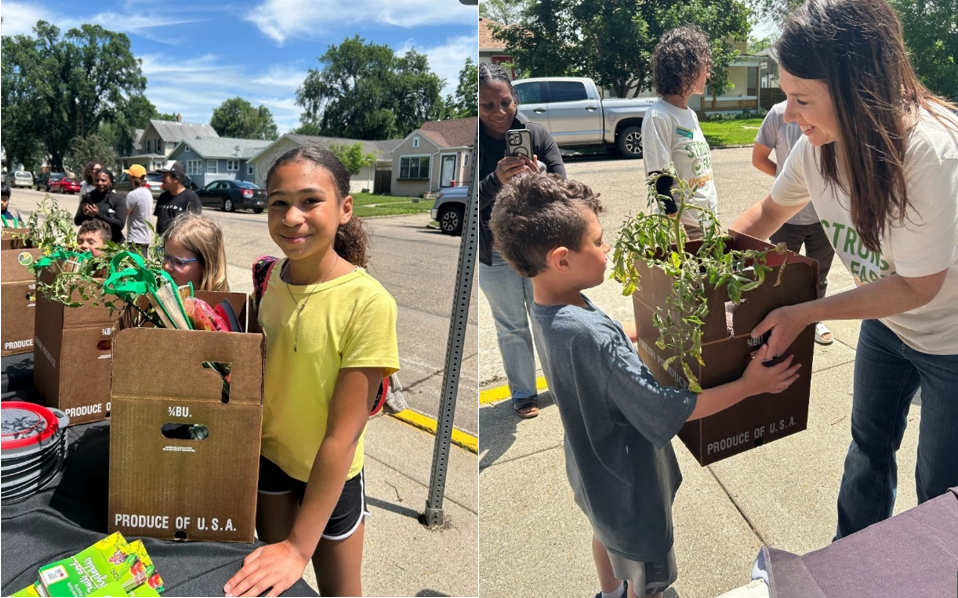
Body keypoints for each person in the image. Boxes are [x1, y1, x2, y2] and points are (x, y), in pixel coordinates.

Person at [490, 172, 800, 598]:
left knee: (605, 536)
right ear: (561, 259)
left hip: (591, 468)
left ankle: (610, 593)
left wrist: (643, 327)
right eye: (598, 242)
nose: (607, 249)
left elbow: (598, 340)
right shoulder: (589, 335)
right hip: (630, 485)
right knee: (648, 576)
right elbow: (665, 408)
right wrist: (751, 384)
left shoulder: (551, 306)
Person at [730, 0, 958, 540]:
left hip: (950, 340)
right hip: (887, 325)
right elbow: (768, 212)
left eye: (802, 99)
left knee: (939, 484)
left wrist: (805, 312)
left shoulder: (929, 152)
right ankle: (849, 559)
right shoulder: (817, 147)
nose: (788, 115)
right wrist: (702, 271)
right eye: (787, 96)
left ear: (859, 89)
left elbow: (918, 286)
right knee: (867, 452)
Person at [224, 146, 399, 598]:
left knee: (340, 591)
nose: (291, 217)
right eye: (278, 202)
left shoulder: (368, 302)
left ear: (345, 209)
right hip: (269, 461)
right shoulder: (270, 279)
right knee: (276, 586)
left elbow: (343, 436)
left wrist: (299, 548)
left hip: (333, 477)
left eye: (310, 201)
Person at [478, 61, 566, 418]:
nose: (499, 112)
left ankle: (560, 385)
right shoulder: (473, 142)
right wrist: (495, 180)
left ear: (515, 99)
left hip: (536, 246)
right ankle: (524, 393)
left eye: (505, 103)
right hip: (494, 251)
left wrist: (538, 175)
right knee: (511, 325)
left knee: (547, 316)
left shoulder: (537, 134)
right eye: (487, 105)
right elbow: (469, 200)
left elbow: (563, 187)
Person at [753, 100, 837, 345]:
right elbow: (759, 158)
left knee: (818, 275)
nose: (793, 115)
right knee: (779, 279)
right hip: (787, 220)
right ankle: (775, 323)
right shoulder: (779, 113)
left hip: (824, 216)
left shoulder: (830, 112)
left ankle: (814, 320)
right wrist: (792, 182)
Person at [641, 26, 717, 240]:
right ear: (686, 69)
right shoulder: (659, 116)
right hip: (686, 229)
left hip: (707, 224)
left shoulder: (690, 114)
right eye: (704, 67)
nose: (708, 74)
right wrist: (678, 233)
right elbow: (659, 181)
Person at [161, 213, 229, 292]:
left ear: (206, 265)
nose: (167, 266)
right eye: (166, 256)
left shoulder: (218, 299)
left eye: (178, 262)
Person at [74, 169, 127, 243]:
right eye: (97, 180)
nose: (99, 183)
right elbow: (77, 222)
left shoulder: (118, 200)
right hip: (92, 243)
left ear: (111, 182)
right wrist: (84, 214)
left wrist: (97, 215)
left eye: (103, 180)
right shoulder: (88, 197)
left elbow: (120, 225)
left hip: (113, 244)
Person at [154, 162, 201, 235]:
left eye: (165, 176)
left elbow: (195, 227)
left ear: (176, 179)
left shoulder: (191, 198)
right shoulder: (163, 197)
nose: (162, 179)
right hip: (161, 241)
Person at [124, 164, 154, 255]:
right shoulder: (147, 192)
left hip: (135, 239)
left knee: (134, 264)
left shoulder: (133, 194)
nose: (128, 177)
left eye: (129, 175)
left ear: (132, 178)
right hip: (145, 238)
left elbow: (124, 212)